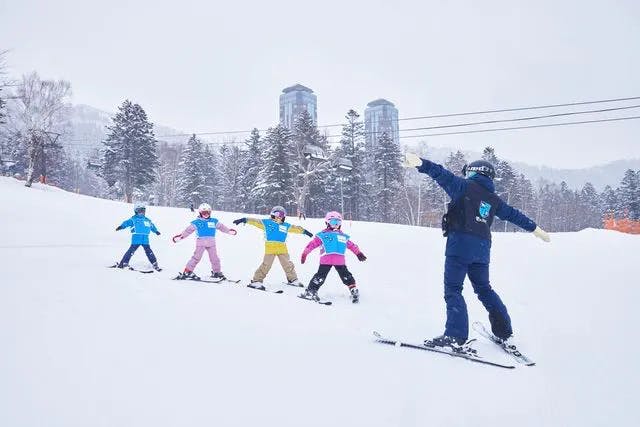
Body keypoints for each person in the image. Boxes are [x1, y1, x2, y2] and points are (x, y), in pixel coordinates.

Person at [404, 152, 551, 351]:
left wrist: (421, 163)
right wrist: (535, 229)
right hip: (482, 250)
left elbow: (441, 174)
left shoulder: (463, 187)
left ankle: (455, 336)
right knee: (484, 289)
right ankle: (504, 332)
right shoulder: (493, 199)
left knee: (453, 289)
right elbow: (514, 215)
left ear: (473, 172)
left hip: (460, 247)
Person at [233, 206, 313, 290]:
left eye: (281, 215)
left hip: (282, 248)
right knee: (266, 265)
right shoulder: (266, 223)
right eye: (277, 214)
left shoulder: (286, 225)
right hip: (270, 249)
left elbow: (295, 228)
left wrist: (305, 231)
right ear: (272, 215)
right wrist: (244, 219)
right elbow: (255, 221)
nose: (279, 217)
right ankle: (256, 281)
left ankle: (292, 279)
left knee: (287, 264)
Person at [299, 211, 367, 303]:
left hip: (339, 261)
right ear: (327, 223)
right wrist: (305, 253)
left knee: (346, 275)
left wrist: (358, 253)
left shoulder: (343, 236)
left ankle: (353, 289)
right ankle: (311, 291)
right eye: (333, 222)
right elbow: (312, 244)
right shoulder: (322, 235)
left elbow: (352, 245)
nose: (336, 224)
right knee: (320, 276)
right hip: (326, 260)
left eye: (338, 222)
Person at [172, 203, 236, 280]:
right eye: (204, 213)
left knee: (215, 258)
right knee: (196, 257)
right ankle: (188, 271)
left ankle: (217, 272)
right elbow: (188, 231)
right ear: (200, 213)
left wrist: (228, 231)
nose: (206, 214)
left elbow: (222, 227)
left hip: (212, 243)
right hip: (201, 243)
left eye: (208, 213)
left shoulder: (214, 221)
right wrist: (181, 237)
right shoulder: (197, 222)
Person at [115, 202, 161, 270]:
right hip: (136, 238)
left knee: (149, 251)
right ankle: (124, 263)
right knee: (131, 251)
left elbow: (152, 226)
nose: (142, 212)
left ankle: (154, 263)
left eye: (143, 210)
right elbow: (126, 223)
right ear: (136, 211)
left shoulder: (147, 220)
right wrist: (121, 226)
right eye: (140, 211)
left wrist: (156, 231)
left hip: (145, 239)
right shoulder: (133, 219)